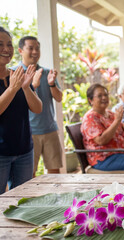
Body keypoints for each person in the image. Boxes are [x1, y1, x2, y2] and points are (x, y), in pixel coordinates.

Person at [11, 36, 63, 176]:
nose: (35, 51)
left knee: (54, 172)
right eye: (30, 48)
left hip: (49, 129)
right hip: (27, 132)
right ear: (21, 50)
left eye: (37, 48)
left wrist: (51, 83)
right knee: (28, 174)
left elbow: (59, 98)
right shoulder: (14, 73)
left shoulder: (47, 73)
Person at [0, 27, 42, 193]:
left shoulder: (18, 75)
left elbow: (37, 108)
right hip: (1, 154)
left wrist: (25, 88)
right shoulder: (14, 81)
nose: (6, 49)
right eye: (0, 44)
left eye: (9, 44)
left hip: (24, 151)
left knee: (21, 200)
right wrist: (12, 89)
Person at [81, 83, 124, 173]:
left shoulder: (109, 113)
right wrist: (117, 121)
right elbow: (101, 140)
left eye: (105, 95)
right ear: (90, 100)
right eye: (99, 96)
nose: (104, 98)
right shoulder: (90, 117)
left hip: (120, 152)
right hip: (103, 158)